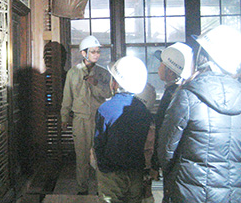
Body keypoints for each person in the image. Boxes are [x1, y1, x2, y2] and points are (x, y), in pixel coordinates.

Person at [158, 25, 241, 202]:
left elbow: (166, 151)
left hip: (189, 192)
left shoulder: (188, 95)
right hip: (232, 194)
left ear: (204, 56)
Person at [93, 56, 154, 203]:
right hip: (136, 172)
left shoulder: (105, 109)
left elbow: (98, 143)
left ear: (115, 83)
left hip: (111, 173)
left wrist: (101, 166)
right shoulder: (143, 110)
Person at [60, 35, 112, 195]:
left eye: (98, 51)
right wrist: (64, 117)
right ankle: (82, 190)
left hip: (99, 120)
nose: (96, 54)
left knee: (99, 156)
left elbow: (108, 93)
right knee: (81, 157)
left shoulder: (103, 74)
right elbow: (67, 97)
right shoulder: (73, 73)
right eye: (93, 51)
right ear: (83, 53)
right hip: (80, 120)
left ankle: (100, 190)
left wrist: (95, 83)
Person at [151, 42, 194, 194]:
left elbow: (163, 133)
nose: (158, 68)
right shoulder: (180, 92)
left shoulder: (172, 96)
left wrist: (155, 163)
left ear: (170, 71)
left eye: (161, 64)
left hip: (173, 164)